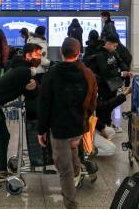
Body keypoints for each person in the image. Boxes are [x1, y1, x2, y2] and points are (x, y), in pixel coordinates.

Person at [38, 38, 96, 209]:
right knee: (73, 149)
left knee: (64, 171)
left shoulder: (52, 74)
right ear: (79, 53)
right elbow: (93, 103)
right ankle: (77, 171)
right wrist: (84, 121)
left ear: (62, 53)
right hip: (78, 126)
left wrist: (41, 130)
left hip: (59, 128)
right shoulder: (88, 74)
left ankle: (71, 205)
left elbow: (45, 104)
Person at [0, 43, 42, 189]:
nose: (40, 58)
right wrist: (35, 87)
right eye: (38, 54)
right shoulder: (24, 71)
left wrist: (34, 86)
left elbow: (28, 89)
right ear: (28, 56)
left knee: (4, 136)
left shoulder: (19, 67)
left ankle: (2, 171)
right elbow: (30, 93)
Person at [93, 35, 127, 137]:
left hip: (112, 85)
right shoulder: (100, 54)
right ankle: (102, 126)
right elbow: (105, 71)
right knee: (105, 107)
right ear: (109, 43)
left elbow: (117, 65)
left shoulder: (112, 53)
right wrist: (120, 73)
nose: (115, 48)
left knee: (110, 106)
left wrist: (120, 71)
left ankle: (108, 123)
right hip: (104, 85)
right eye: (114, 46)